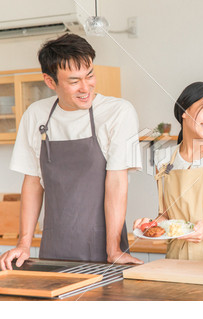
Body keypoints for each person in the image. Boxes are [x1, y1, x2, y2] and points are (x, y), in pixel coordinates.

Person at [0, 34, 143, 270]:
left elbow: (117, 182)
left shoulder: (118, 112)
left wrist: (113, 249)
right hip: (53, 247)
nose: (86, 88)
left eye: (90, 75)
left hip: (102, 246)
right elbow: (33, 183)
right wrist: (24, 244)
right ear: (50, 81)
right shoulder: (36, 115)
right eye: (74, 81)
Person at [134, 82, 203, 262]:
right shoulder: (164, 160)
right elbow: (166, 216)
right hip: (176, 259)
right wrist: (149, 225)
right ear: (184, 111)